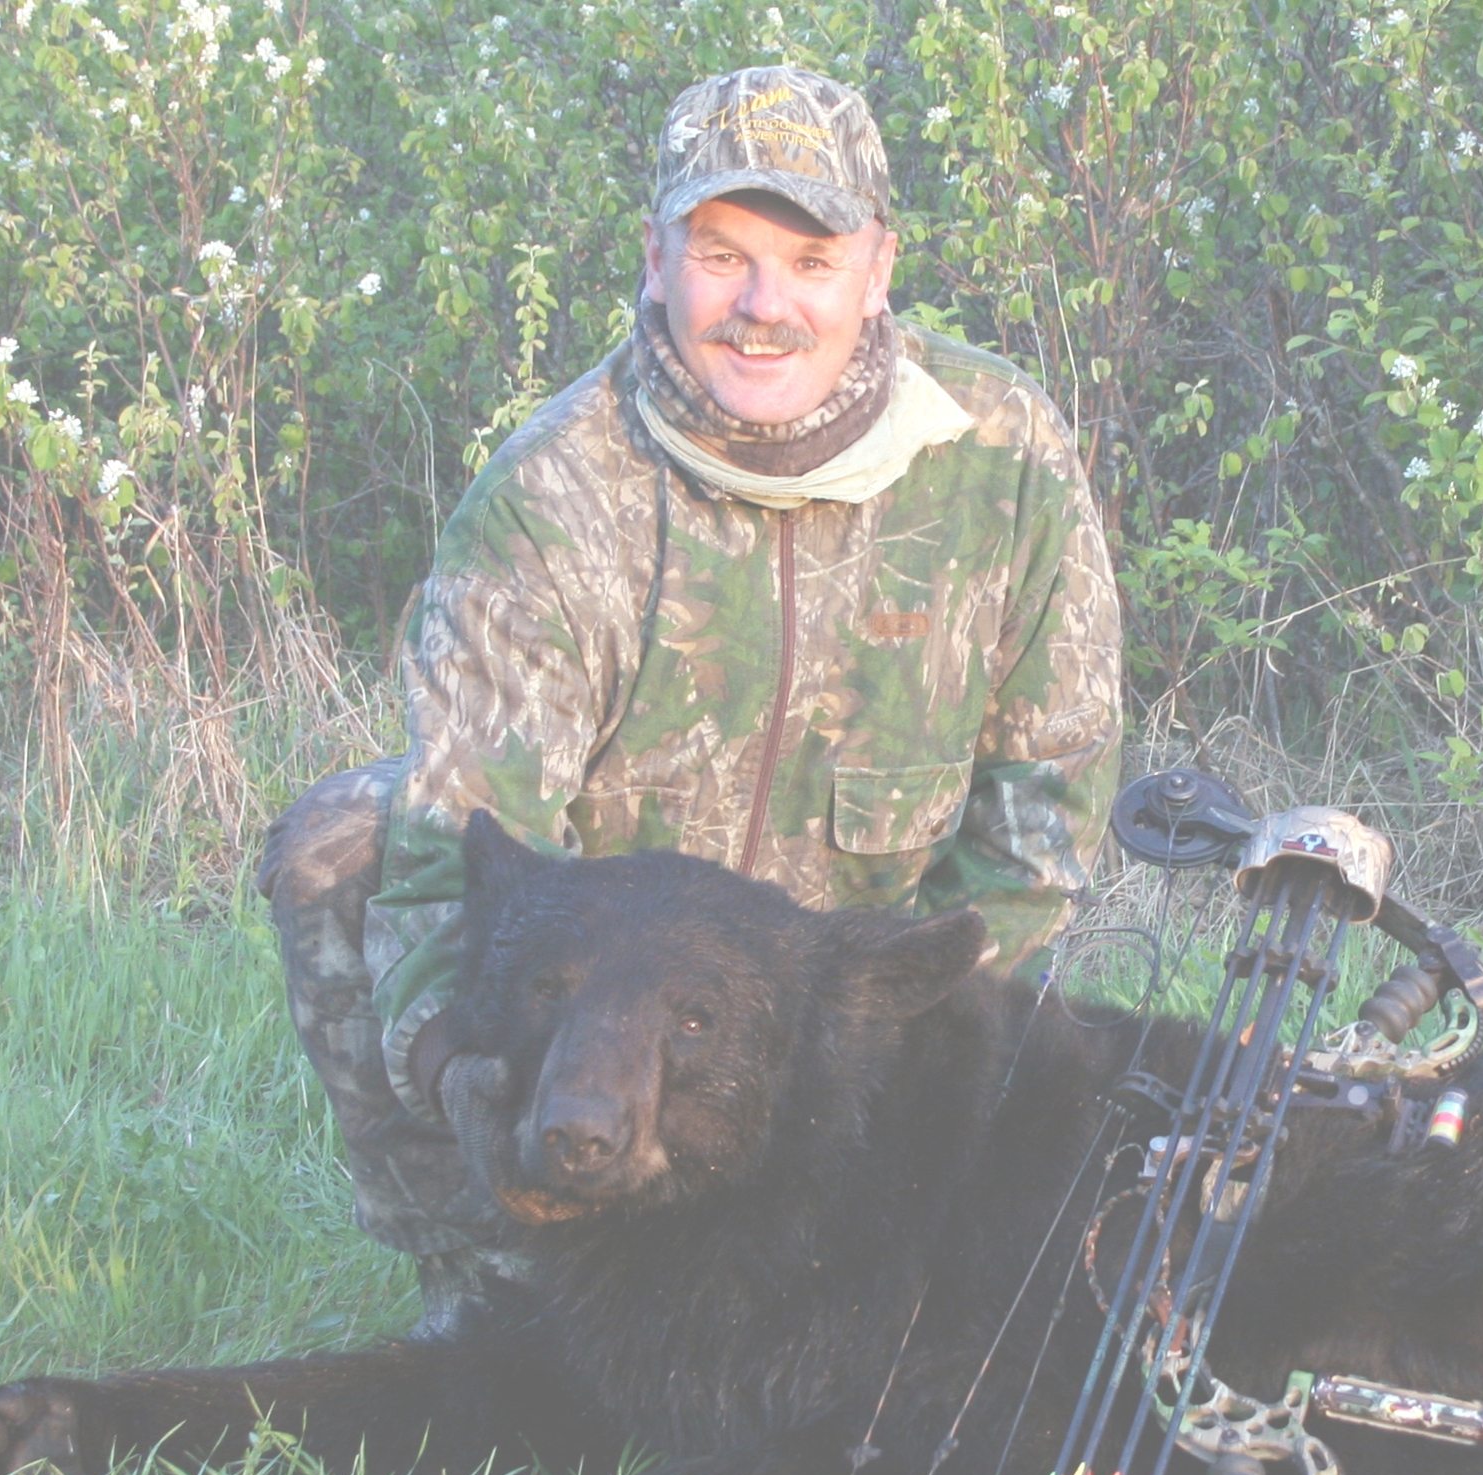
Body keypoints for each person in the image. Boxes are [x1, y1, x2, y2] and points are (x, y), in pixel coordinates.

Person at [257, 66, 1122, 1335]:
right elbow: (463, 845)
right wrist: (471, 1079)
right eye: (723, 255)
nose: (765, 306)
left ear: (877, 268)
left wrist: (874, 1043)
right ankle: (492, 1274)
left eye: (811, 261)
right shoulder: (553, 492)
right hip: (601, 1013)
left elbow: (1043, 812)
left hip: (842, 1011)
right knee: (343, 842)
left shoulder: (1001, 453)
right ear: (656, 259)